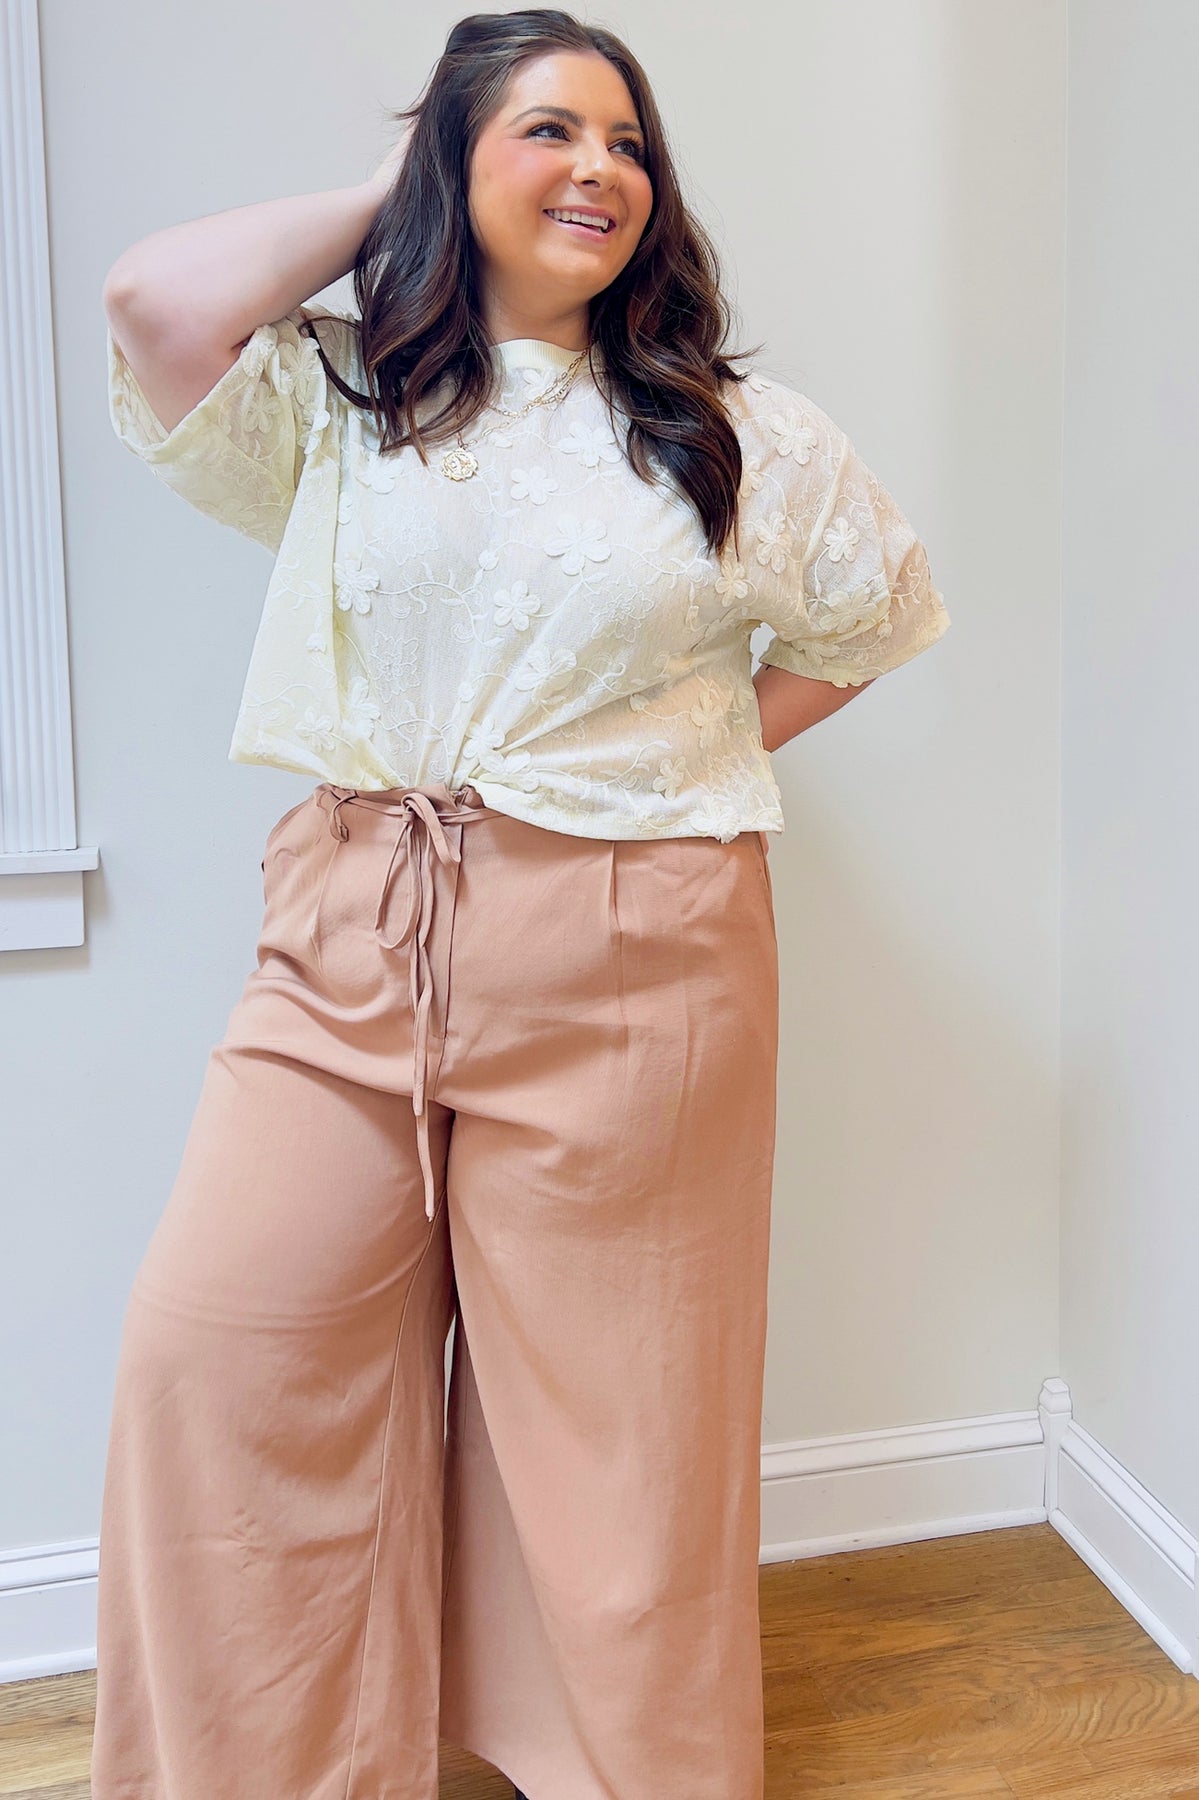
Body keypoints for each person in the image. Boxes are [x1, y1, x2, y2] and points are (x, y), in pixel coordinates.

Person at [93, 10, 951, 1800]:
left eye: (629, 143)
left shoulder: (733, 432)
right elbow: (153, 302)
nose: (601, 169)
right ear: (455, 161)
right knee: (220, 1353)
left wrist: (675, 761)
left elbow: (869, 623)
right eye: (550, 129)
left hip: (641, 952)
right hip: (352, 924)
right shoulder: (348, 402)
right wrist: (389, 187)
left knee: (621, 1428)